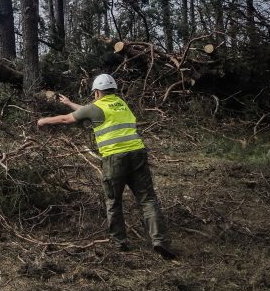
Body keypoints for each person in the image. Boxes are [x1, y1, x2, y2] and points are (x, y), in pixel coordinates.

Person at [36, 74, 175, 260]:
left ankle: (120, 243)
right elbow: (90, 111)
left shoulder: (97, 107)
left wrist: (43, 121)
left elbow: (66, 120)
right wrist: (70, 103)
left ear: (97, 92)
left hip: (115, 158)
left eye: (94, 93)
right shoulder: (121, 104)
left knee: (113, 201)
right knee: (147, 199)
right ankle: (159, 241)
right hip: (138, 155)